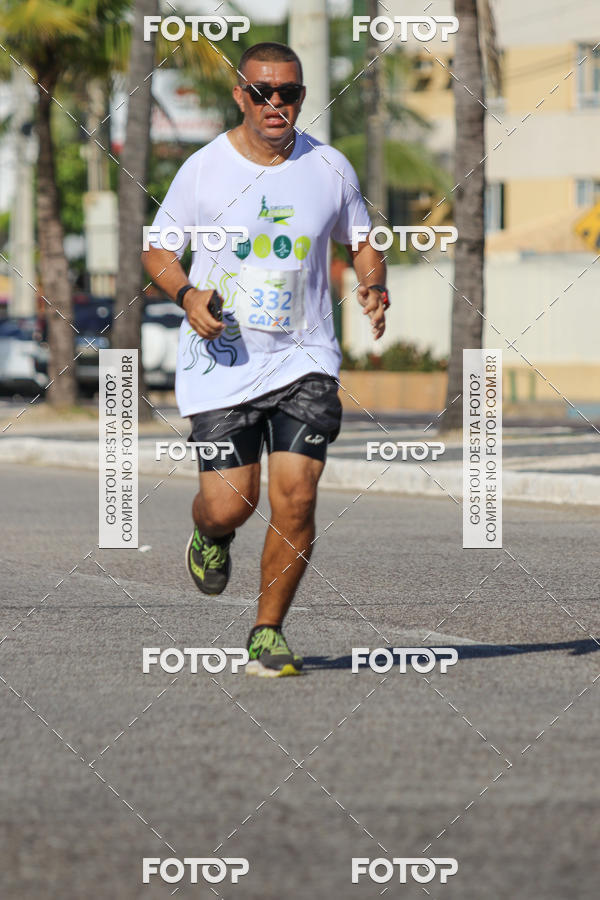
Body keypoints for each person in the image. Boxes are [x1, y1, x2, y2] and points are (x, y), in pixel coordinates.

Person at [142, 42, 388, 677]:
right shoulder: (203, 169)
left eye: (289, 93)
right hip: (221, 362)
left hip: (304, 361)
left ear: (302, 96)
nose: (275, 104)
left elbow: (363, 239)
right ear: (240, 95)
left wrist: (373, 281)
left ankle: (267, 632)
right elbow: (158, 250)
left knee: (297, 499)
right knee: (232, 504)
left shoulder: (329, 167)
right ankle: (209, 534)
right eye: (262, 92)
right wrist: (187, 293)